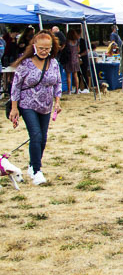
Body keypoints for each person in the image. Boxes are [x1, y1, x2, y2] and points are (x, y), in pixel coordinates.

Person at [9, 30, 62, 186]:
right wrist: (14, 108)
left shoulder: (53, 63)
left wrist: (57, 101)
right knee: (36, 135)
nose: (44, 52)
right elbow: (15, 86)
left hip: (46, 106)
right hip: (27, 104)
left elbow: (58, 83)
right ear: (34, 47)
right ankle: (37, 172)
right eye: (41, 49)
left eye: (47, 48)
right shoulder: (25, 64)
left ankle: (33, 164)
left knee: (43, 138)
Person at [62, 29, 81, 95]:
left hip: (68, 60)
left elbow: (63, 49)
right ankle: (77, 90)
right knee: (76, 75)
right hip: (75, 60)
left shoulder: (67, 42)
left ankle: (69, 90)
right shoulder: (77, 42)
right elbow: (78, 50)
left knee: (68, 76)